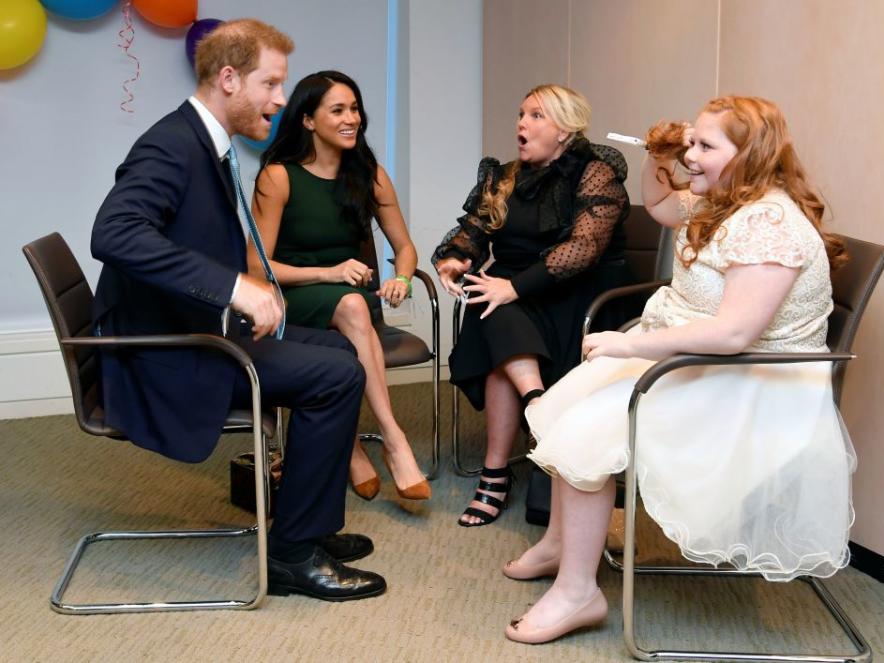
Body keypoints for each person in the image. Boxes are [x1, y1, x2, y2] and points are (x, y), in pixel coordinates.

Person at [502, 96, 853, 644]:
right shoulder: (730, 200)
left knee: (586, 431)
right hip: (693, 359)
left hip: (750, 381)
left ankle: (578, 593)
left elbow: (735, 334)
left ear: (751, 155)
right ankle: (561, 543)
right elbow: (662, 205)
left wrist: (628, 347)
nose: (692, 156)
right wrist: (658, 155)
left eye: (704, 146)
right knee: (565, 406)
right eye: (693, 141)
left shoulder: (770, 224)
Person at [90, 19, 386, 602]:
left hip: (197, 332)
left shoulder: (204, 141)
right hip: (165, 356)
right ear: (228, 78)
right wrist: (233, 287)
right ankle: (292, 556)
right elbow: (114, 232)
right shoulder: (170, 144)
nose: (281, 99)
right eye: (271, 84)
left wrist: (252, 287)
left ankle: (308, 526)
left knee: (336, 351)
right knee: (337, 376)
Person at [433, 84, 630, 527]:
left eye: (537, 116)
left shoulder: (595, 173)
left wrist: (513, 288)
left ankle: (496, 473)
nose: (522, 123)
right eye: (521, 114)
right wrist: (454, 260)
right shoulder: (503, 176)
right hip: (517, 296)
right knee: (492, 302)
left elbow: (584, 248)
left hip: (580, 296)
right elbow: (473, 233)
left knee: (496, 306)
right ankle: (538, 410)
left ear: (564, 130)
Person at [250, 71, 429, 502]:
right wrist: (327, 273)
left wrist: (402, 279)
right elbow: (257, 266)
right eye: (338, 110)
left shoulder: (370, 175)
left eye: (355, 109)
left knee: (351, 307)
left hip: (349, 299)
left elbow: (405, 247)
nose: (352, 119)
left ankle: (350, 446)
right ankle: (392, 437)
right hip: (292, 295)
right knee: (352, 306)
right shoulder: (279, 177)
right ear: (308, 120)